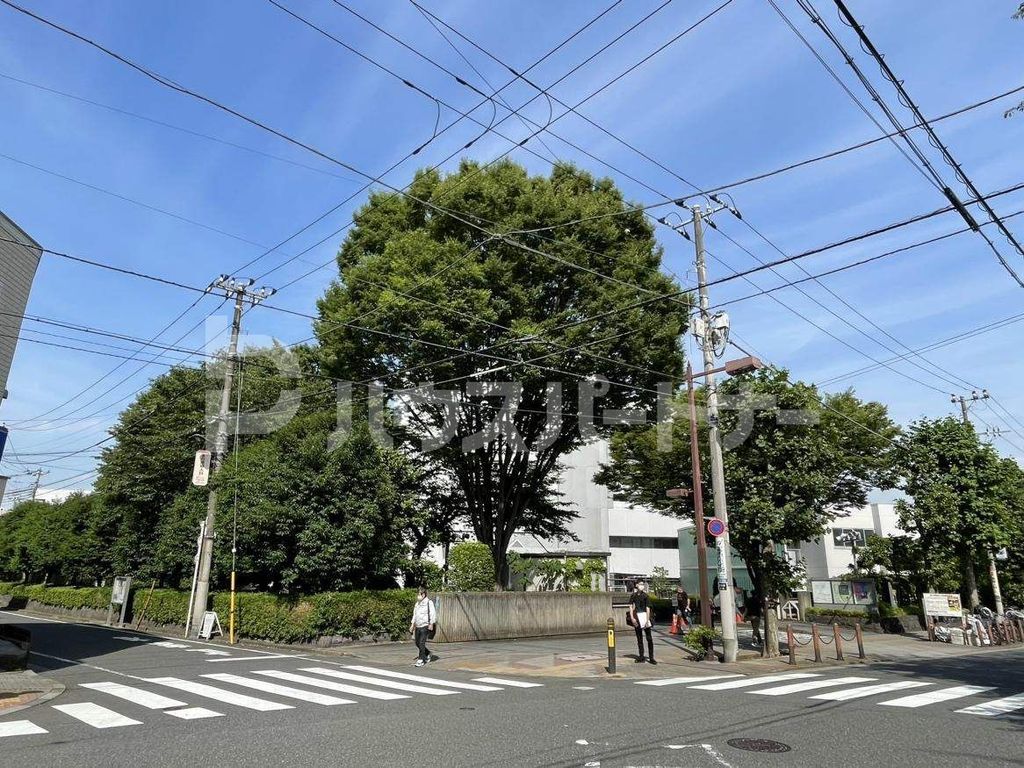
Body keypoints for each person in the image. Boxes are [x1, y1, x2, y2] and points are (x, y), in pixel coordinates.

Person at [409, 587, 437, 667]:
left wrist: (431, 623)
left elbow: (432, 613)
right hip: (418, 625)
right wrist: (412, 625)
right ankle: (428, 653)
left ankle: (421, 659)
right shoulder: (417, 604)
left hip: (425, 625)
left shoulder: (429, 602)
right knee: (417, 643)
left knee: (421, 643)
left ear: (423, 594)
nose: (418, 596)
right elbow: (415, 615)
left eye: (419, 594)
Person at [630, 581, 656, 664]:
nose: (642, 586)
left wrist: (647, 620)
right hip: (637, 617)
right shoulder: (633, 595)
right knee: (639, 638)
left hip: (644, 617)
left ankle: (651, 657)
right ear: (636, 585)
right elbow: (631, 606)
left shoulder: (645, 596)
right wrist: (632, 618)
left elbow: (648, 608)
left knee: (649, 638)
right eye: (640, 584)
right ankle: (641, 656)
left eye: (642, 584)